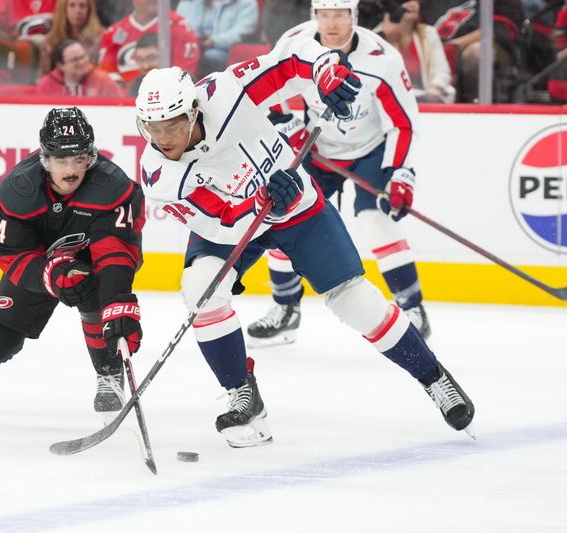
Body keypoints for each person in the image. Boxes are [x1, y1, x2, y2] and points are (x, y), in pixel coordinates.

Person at [135, 63, 474, 445]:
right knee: (200, 288)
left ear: (194, 111)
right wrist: (260, 202)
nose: (163, 138)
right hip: (234, 224)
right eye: (153, 127)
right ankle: (243, 397)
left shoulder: (224, 91)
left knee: (354, 301)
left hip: (298, 207)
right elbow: (223, 220)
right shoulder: (157, 172)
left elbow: (288, 63)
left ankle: (434, 378)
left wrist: (324, 73)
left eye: (172, 125)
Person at [0, 107, 145, 417]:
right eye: (62, 160)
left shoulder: (114, 187)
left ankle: (109, 374)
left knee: (100, 302)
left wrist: (117, 302)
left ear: (91, 156)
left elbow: (115, 251)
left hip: (90, 263)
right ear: (45, 159)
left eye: (79, 159)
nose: (72, 169)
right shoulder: (18, 189)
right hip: (38, 265)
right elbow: (11, 254)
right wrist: (52, 273)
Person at [247, 0, 433, 347]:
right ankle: (285, 309)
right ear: (314, 15)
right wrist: (290, 125)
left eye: (340, 15)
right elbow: (269, 92)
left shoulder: (382, 59)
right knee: (284, 219)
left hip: (370, 152)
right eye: (324, 14)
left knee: (375, 221)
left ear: (354, 17)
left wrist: (400, 173)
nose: (331, 23)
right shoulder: (295, 44)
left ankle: (412, 307)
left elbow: (403, 123)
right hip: (318, 150)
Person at [425, 0, 524, 102]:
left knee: (476, 53)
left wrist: (456, 45)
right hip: (434, 45)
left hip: (487, 45)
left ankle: (474, 105)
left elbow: (498, 28)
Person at [98, 0, 200, 85]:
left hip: (164, 99)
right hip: (126, 103)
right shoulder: (114, 33)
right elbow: (108, 79)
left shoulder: (180, 28)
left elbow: (183, 79)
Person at [376, 0, 455, 102]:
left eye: (416, 1)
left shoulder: (429, 33)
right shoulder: (378, 37)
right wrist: (387, 37)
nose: (413, 4)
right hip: (393, 100)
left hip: (426, 98)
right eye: (406, 1)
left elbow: (442, 71)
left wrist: (436, 88)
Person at [176, 0, 259, 75]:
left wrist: (213, 41)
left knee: (209, 56)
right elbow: (179, 26)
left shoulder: (247, 3)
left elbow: (242, 33)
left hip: (224, 50)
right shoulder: (189, 3)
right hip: (192, 47)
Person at [37, 38, 124, 96]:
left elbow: (119, 108)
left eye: (83, 57)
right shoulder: (47, 84)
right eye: (75, 60)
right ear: (61, 65)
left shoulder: (103, 81)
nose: (81, 62)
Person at [39, 0, 105, 74]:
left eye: (82, 6)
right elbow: (45, 76)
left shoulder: (101, 37)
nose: (77, 11)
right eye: (72, 5)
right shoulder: (51, 40)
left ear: (89, 10)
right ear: (63, 9)